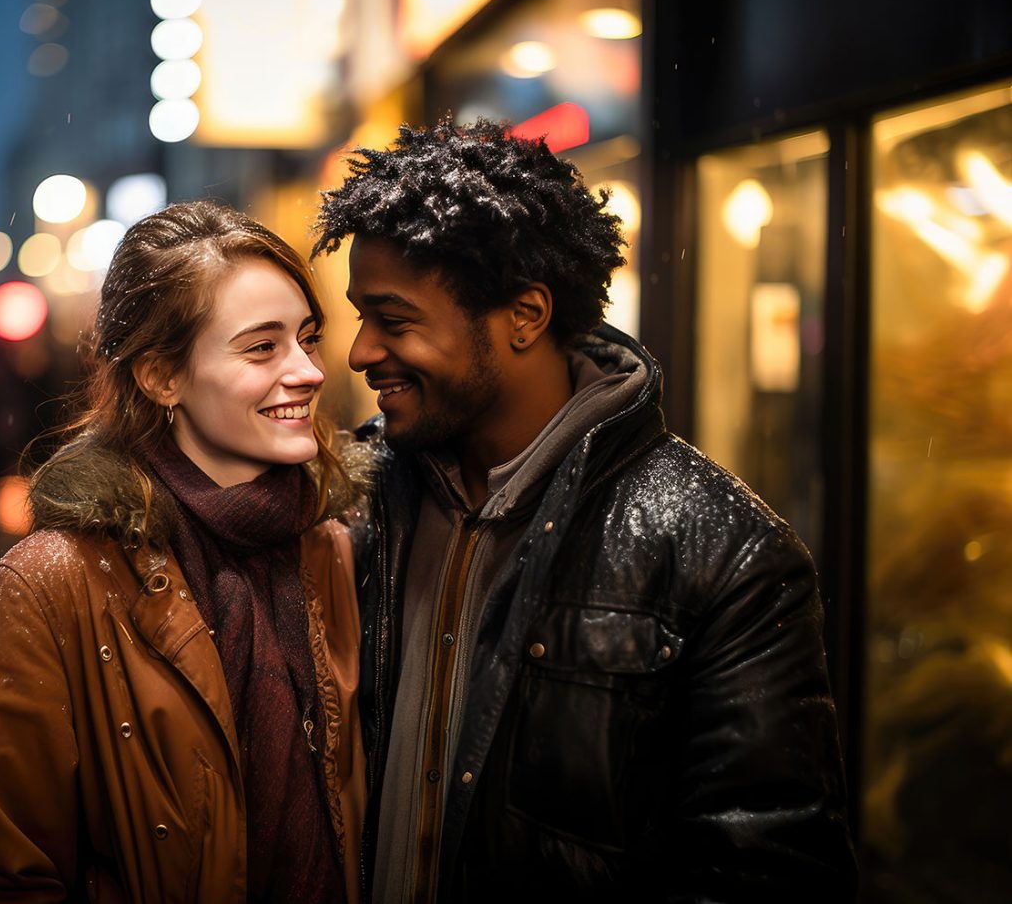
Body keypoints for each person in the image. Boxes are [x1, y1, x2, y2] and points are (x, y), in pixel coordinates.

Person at [310, 118, 858, 901]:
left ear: (525, 316)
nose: (360, 352)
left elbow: (767, 868)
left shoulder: (721, 551)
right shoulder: (352, 496)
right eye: (361, 316)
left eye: (394, 320)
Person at [0, 202, 372, 903]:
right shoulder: (53, 581)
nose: (309, 371)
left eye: (307, 338)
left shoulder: (333, 546)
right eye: (262, 347)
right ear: (161, 376)